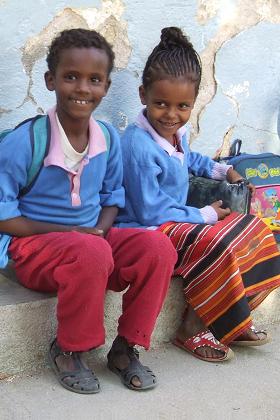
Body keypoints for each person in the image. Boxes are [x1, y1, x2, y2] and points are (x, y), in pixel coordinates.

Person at [0, 28, 177, 393]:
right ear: (51, 80)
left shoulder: (109, 139)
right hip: (33, 251)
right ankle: (69, 349)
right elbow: (4, 216)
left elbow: (113, 198)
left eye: (94, 79)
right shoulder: (25, 143)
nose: (82, 88)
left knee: (158, 248)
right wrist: (76, 236)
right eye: (71, 77)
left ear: (107, 87)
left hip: (91, 246)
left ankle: (126, 347)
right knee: (91, 250)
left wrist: (98, 230)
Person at [116, 27, 280, 363]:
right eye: (160, 103)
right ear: (142, 94)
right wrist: (202, 215)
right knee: (219, 242)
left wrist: (224, 170)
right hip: (147, 228)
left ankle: (232, 319)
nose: (171, 115)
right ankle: (191, 327)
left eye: (182, 106)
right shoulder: (137, 145)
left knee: (256, 228)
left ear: (193, 103)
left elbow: (189, 160)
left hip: (176, 215)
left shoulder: (175, 131)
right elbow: (149, 211)